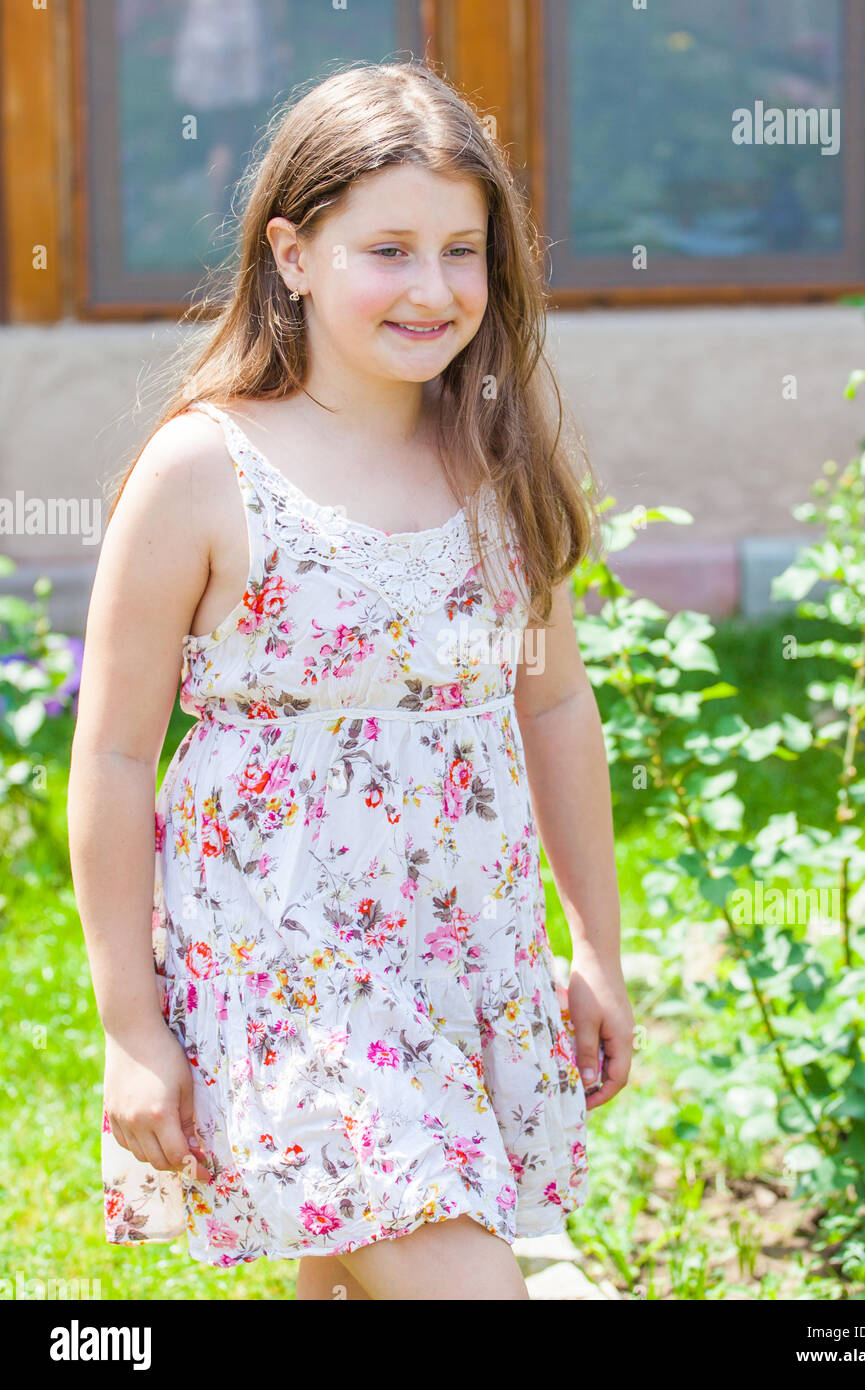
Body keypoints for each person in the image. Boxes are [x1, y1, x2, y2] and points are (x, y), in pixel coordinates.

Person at [68, 59, 634, 1301]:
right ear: (292, 253)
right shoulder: (203, 472)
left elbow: (551, 704)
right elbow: (111, 755)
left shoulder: (495, 461)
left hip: (456, 943)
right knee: (461, 1276)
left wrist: (595, 944)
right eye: (388, 249)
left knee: (350, 1274)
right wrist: (131, 1032)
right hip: (285, 957)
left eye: (462, 251)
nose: (434, 289)